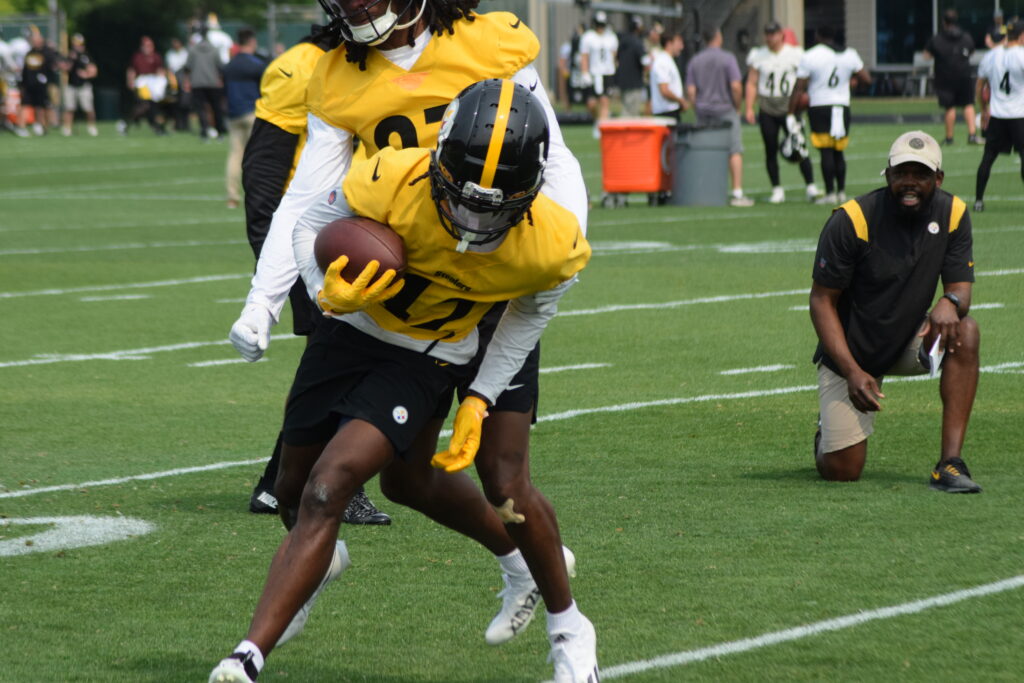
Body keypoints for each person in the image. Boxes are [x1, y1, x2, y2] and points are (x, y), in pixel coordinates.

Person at [224, 0, 592, 677]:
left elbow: (555, 161)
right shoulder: (342, 79)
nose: (357, 7)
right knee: (398, 477)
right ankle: (515, 563)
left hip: (497, 281)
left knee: (503, 471)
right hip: (405, 282)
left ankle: (569, 630)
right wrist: (270, 301)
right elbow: (310, 202)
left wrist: (552, 236)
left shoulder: (486, 41)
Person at [241, 31, 392, 524]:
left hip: (361, 229)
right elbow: (264, 172)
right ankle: (303, 483)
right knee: (335, 364)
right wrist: (279, 265)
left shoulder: (391, 58)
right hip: (316, 242)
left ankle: (276, 483)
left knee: (335, 365)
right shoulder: (301, 65)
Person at [809, 131, 981, 493]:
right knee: (844, 470)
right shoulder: (852, 218)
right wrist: (853, 370)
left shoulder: (954, 213)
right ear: (887, 174)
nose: (910, 183)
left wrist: (949, 302)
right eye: (902, 173)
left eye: (920, 174)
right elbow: (821, 301)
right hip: (851, 350)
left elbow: (961, 289)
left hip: (907, 340)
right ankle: (825, 434)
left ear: (938, 178)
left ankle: (949, 464)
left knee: (966, 332)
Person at [788, 25, 871, 206]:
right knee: (838, 151)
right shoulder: (850, 54)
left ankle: (830, 192)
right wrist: (852, 85)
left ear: (818, 35)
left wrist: (791, 111)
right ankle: (841, 192)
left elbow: (799, 86)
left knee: (825, 150)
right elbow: (867, 79)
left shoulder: (811, 55)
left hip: (820, 105)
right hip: (841, 105)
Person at [744, 21, 819, 203]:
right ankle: (777, 189)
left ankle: (810, 186)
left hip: (789, 106)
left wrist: (804, 99)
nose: (770, 37)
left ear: (781, 35)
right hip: (768, 106)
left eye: (773, 34)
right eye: (767, 34)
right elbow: (752, 82)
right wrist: (748, 107)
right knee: (770, 149)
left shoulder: (795, 54)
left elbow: (806, 78)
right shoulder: (758, 55)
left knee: (799, 146)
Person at [686, 26, 754, 207]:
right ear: (718, 37)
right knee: (734, 150)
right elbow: (736, 86)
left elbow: (691, 91)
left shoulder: (695, 60)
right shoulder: (728, 58)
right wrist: (737, 106)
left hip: (703, 111)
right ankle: (737, 192)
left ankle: (707, 190)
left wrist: (697, 107)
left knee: (706, 151)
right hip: (725, 110)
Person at [973, 22, 1024, 213]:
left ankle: (978, 200)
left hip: (998, 115)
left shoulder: (991, 56)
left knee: (988, 157)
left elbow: (980, 86)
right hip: (1019, 115)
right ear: (1021, 36)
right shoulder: (1022, 54)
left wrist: (984, 109)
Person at [222, 29, 267, 209]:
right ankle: (258, 195)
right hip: (252, 113)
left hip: (234, 115)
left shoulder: (230, 65)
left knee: (235, 156)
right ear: (252, 41)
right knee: (257, 156)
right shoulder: (256, 64)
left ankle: (232, 197)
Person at [924, 9, 981, 146]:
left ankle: (949, 137)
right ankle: (972, 135)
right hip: (964, 76)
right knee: (968, 104)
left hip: (945, 77)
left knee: (950, 107)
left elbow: (926, 55)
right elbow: (972, 51)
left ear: (944, 22)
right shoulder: (965, 37)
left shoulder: (937, 38)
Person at [579, 10, 618, 136]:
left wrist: (613, 68)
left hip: (607, 73)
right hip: (594, 74)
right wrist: (584, 72)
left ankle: (602, 127)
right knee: (591, 103)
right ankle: (598, 120)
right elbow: (584, 56)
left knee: (605, 100)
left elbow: (613, 55)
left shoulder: (611, 37)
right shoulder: (588, 37)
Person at [186, 25, 227, 140]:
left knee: (201, 109)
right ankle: (220, 131)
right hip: (213, 82)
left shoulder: (193, 50)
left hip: (197, 82)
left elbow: (188, 66)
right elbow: (220, 66)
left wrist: (188, 80)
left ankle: (204, 131)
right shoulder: (214, 49)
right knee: (216, 108)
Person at [16, 29, 58, 136]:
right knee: (24, 105)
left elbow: (54, 64)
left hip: (42, 85)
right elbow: (25, 70)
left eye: (36, 39)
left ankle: (42, 126)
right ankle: (21, 127)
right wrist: (22, 84)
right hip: (29, 84)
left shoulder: (47, 52)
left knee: (42, 106)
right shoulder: (29, 53)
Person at [125, 36, 168, 135]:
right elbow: (132, 70)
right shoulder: (138, 57)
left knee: (152, 105)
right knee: (145, 105)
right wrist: (130, 81)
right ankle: (127, 122)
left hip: (152, 82)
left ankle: (156, 127)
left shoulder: (156, 57)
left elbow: (160, 70)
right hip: (142, 82)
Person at [60, 33, 98, 137]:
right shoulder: (70, 56)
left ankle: (91, 127)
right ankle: (67, 128)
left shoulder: (86, 56)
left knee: (88, 108)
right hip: (71, 85)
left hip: (84, 86)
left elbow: (94, 71)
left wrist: (86, 75)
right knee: (69, 108)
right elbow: (65, 68)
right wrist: (71, 60)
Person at [649, 31, 686, 122]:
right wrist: (681, 101)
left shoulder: (667, 60)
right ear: (669, 43)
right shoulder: (662, 62)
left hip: (670, 110)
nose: (681, 47)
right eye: (679, 43)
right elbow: (664, 90)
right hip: (665, 113)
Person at [616, 16, 648, 117]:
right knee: (631, 113)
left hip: (623, 82)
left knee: (626, 109)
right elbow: (645, 61)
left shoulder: (622, 41)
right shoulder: (637, 42)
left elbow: (617, 59)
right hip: (634, 83)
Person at [165, 37, 192, 133]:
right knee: (175, 103)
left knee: (185, 102)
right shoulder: (170, 54)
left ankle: (186, 124)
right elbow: (169, 68)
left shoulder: (185, 53)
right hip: (173, 79)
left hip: (183, 77)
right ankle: (178, 124)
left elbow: (187, 69)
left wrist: (186, 81)